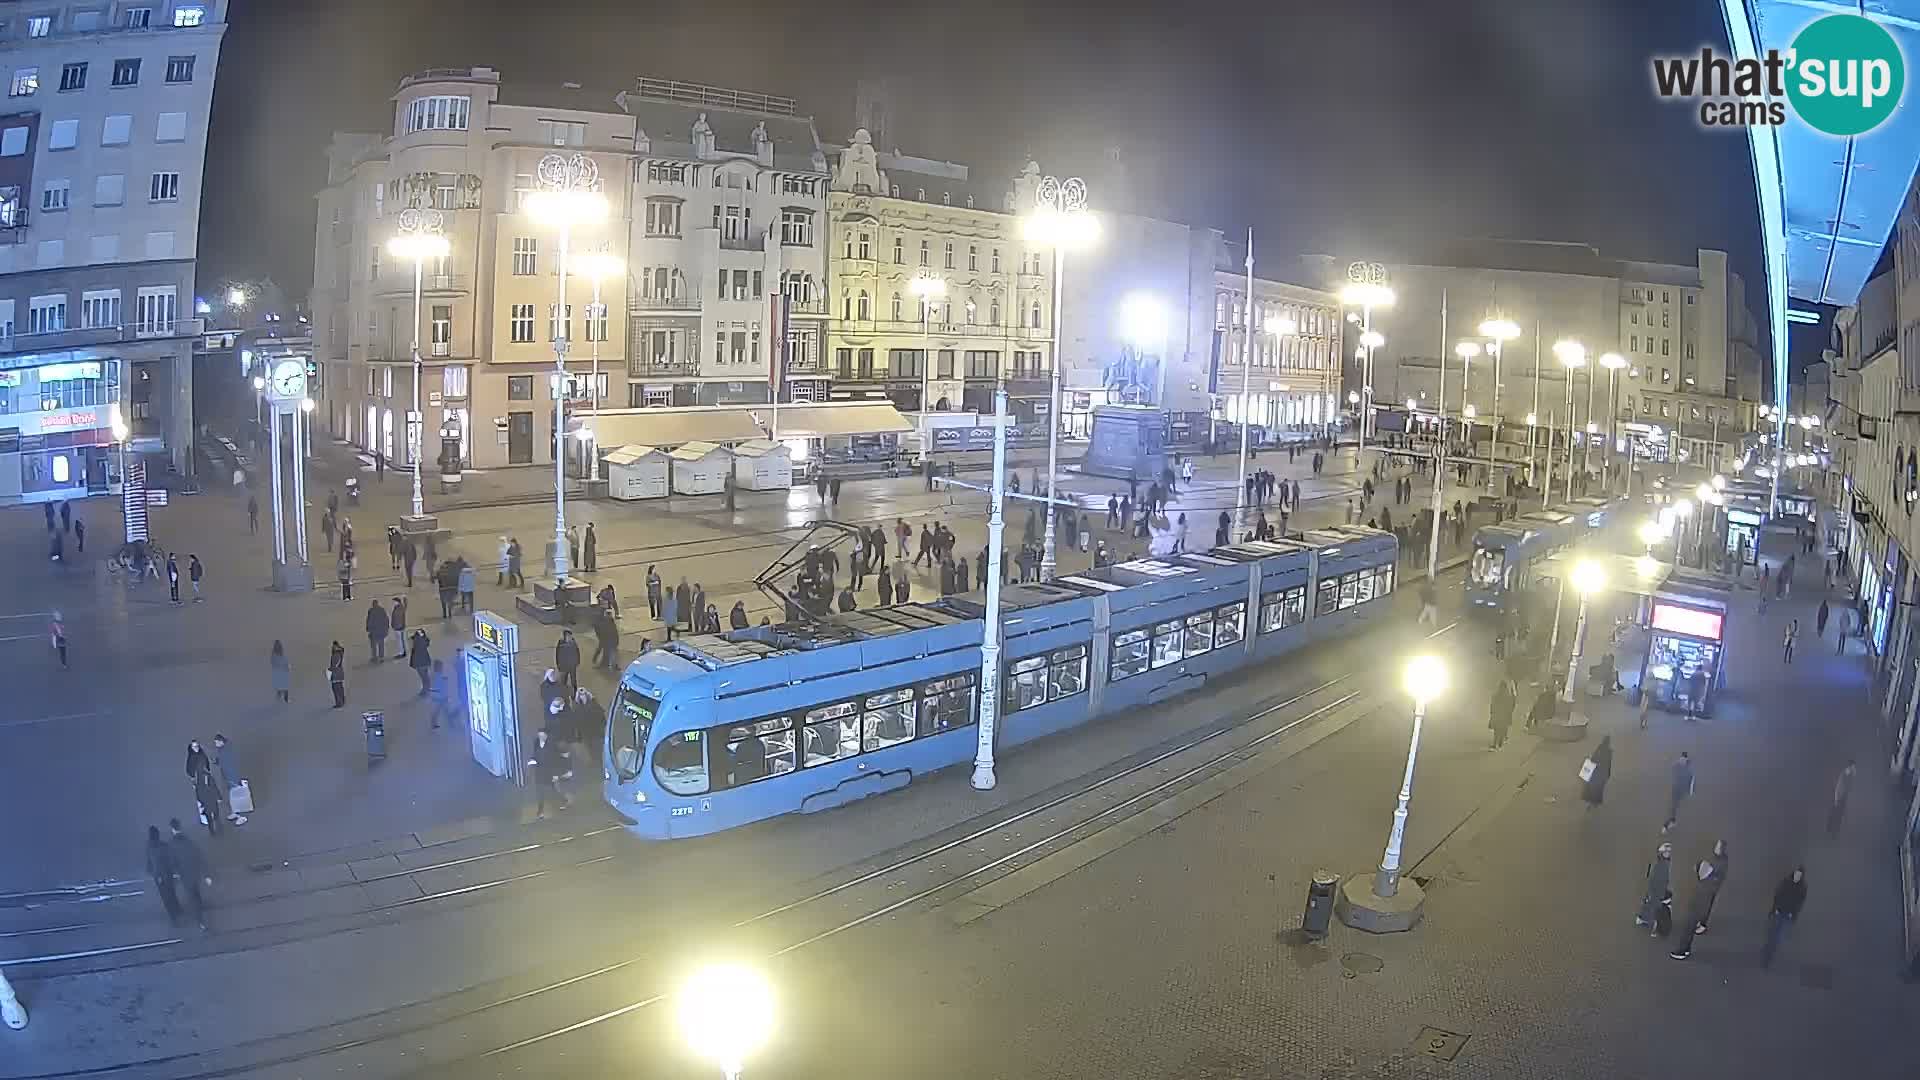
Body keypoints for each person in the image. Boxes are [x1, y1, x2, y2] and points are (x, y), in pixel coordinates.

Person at [1671, 840, 1729, 959]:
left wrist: (1699, 867)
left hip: (1700, 901)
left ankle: (1682, 951)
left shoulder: (1709, 876)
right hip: (1705, 899)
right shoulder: (1721, 864)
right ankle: (1687, 946)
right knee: (1691, 925)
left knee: (1688, 925)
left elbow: (1703, 877)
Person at [1760, 867, 1808, 969]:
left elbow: (1799, 903)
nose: (1797, 877)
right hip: (1779, 911)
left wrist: (1793, 914)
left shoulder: (1802, 888)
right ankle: (1766, 952)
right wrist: (1775, 908)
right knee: (1772, 933)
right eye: (1796, 875)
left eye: (1799, 876)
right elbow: (1778, 895)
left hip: (1787, 914)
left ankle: (1769, 956)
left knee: (1778, 937)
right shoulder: (1786, 883)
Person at [167, 818, 210, 930]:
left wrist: (175, 875)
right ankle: (200, 907)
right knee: (196, 893)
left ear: (172, 829)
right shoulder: (188, 841)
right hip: (195, 873)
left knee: (192, 897)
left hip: (185, 876)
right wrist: (206, 875)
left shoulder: (172, 844)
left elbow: (173, 862)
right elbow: (198, 856)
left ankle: (200, 920)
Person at [528, 728, 572, 817]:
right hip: (540, 772)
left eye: (543, 735)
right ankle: (540, 811)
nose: (541, 737)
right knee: (540, 792)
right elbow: (535, 754)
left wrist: (556, 774)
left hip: (550, 771)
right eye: (539, 735)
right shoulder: (536, 742)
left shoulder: (551, 745)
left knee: (556, 789)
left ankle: (564, 800)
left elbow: (555, 759)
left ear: (546, 736)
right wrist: (532, 760)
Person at [146, 824, 182, 925]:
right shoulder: (164, 846)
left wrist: (151, 872)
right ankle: (177, 909)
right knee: (171, 893)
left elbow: (149, 862)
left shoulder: (149, 847)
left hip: (159, 877)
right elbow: (171, 859)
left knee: (166, 897)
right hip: (167, 874)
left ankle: (173, 916)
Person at [1635, 842, 1675, 930]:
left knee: (1650, 904)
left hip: (1659, 889)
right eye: (1665, 852)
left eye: (1668, 852)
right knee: (1653, 904)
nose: (1668, 854)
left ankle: (1643, 918)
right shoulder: (1660, 865)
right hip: (1656, 890)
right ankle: (1646, 919)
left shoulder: (1661, 862)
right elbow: (1654, 878)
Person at [1580, 735, 1613, 809]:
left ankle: (1590, 802)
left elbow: (1593, 758)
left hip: (1596, 771)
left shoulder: (1599, 748)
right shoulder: (1609, 751)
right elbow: (1609, 764)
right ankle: (1595, 803)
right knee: (1599, 788)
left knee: (1592, 787)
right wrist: (1608, 773)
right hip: (1603, 772)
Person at [1666, 752, 1695, 829]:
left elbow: (1692, 780)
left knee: (1677, 805)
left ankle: (1674, 820)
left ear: (1686, 759)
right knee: (1673, 805)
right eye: (1681, 759)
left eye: (1684, 759)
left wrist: (1690, 792)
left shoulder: (1689, 769)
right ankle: (1672, 820)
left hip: (1682, 790)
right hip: (1676, 788)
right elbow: (1672, 770)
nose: (1682, 761)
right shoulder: (1676, 765)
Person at [1829, 759, 1857, 836]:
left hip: (1842, 797)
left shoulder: (1848, 773)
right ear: (1851, 766)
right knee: (1837, 815)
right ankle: (1833, 831)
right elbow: (1839, 787)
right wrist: (1837, 798)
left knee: (1839, 815)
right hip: (1840, 797)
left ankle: (1834, 831)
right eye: (1854, 766)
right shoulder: (1846, 773)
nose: (1855, 768)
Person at [1489, 676, 1516, 749]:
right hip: (1504, 715)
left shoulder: (1496, 694)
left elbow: (1492, 704)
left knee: (1497, 730)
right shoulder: (1508, 696)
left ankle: (1495, 744)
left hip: (1497, 715)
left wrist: (1492, 712)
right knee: (1502, 729)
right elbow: (1512, 705)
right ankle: (1500, 743)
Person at [428, 659, 453, 728]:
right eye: (440, 666)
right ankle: (450, 723)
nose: (441, 668)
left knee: (442, 711)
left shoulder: (435, 676)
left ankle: (449, 723)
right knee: (440, 711)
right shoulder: (436, 676)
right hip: (439, 698)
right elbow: (439, 686)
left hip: (439, 697)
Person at [555, 630, 581, 694]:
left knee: (573, 680)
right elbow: (558, 654)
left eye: (570, 636)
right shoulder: (561, 643)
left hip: (572, 665)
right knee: (563, 680)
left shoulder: (573, 642)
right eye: (568, 636)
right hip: (564, 666)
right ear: (564, 636)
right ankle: (563, 692)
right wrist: (558, 664)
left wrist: (577, 662)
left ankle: (575, 693)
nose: (569, 637)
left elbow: (577, 652)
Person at [408, 628, 432, 696]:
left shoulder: (415, 643)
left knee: (423, 677)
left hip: (419, 663)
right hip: (426, 661)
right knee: (426, 676)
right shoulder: (424, 642)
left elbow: (410, 641)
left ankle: (425, 690)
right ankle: (427, 688)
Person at [328, 641, 347, 708]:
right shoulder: (339, 653)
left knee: (336, 688)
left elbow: (335, 665)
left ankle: (339, 702)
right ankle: (342, 700)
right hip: (339, 673)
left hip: (336, 674)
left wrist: (330, 670)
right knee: (339, 687)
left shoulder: (336, 654)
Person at [390, 596, 408, 661]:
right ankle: (403, 652)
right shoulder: (400, 607)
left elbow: (396, 618)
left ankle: (401, 653)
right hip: (401, 626)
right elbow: (405, 607)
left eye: (394, 602)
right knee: (401, 640)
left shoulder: (398, 608)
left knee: (399, 641)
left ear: (397, 602)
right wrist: (405, 600)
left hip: (398, 627)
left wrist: (394, 626)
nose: (393, 603)